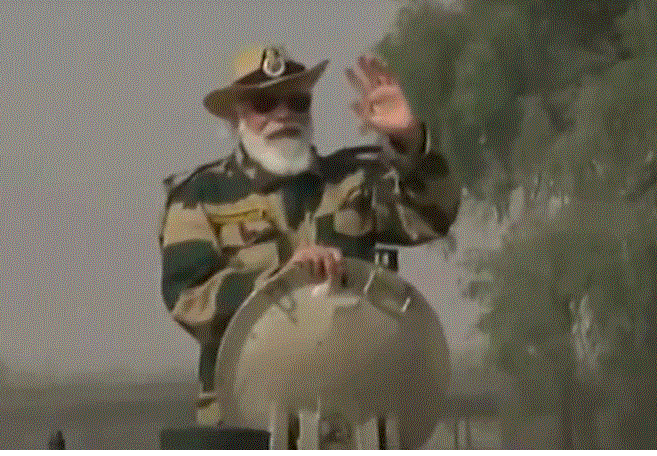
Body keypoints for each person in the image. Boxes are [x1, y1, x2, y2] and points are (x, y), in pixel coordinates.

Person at [158, 44, 460, 425]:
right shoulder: (201, 196)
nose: (284, 114)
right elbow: (188, 298)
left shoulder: (354, 180)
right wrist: (282, 283)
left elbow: (433, 216)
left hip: (352, 412)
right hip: (243, 415)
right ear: (237, 116)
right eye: (265, 104)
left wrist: (410, 141)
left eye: (298, 102)